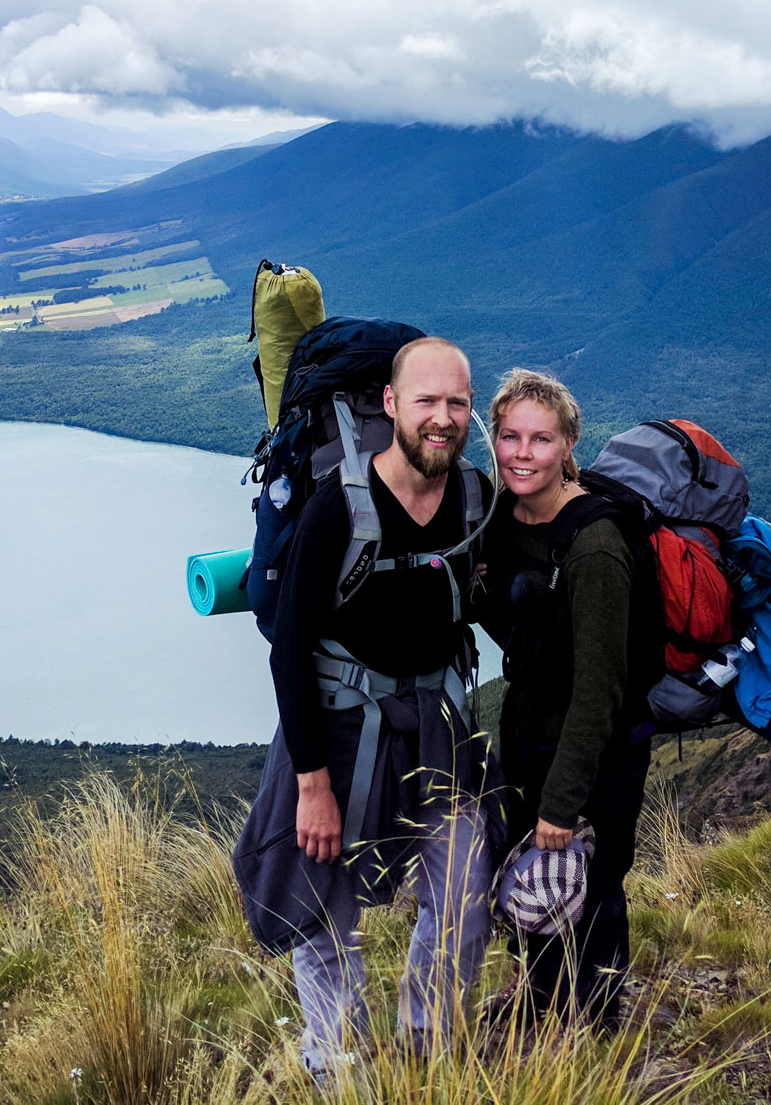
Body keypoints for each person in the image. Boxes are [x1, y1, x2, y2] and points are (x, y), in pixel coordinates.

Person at [232, 336, 501, 1079]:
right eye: (426, 402)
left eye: (457, 402)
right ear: (390, 405)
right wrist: (311, 787)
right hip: (341, 737)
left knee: (463, 894)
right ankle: (338, 1070)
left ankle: (427, 1051)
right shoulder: (337, 510)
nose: (442, 418)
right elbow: (288, 650)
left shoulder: (476, 498)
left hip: (437, 733)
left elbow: (499, 607)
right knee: (326, 914)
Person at [475, 368, 658, 1031]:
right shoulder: (504, 520)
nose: (522, 453)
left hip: (597, 749)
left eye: (541, 439)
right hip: (528, 732)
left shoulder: (596, 548)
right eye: (509, 437)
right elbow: (519, 629)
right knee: (529, 875)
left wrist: (562, 800)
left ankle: (596, 1025)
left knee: (594, 886)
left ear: (569, 443)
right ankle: (539, 996)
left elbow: (600, 689)